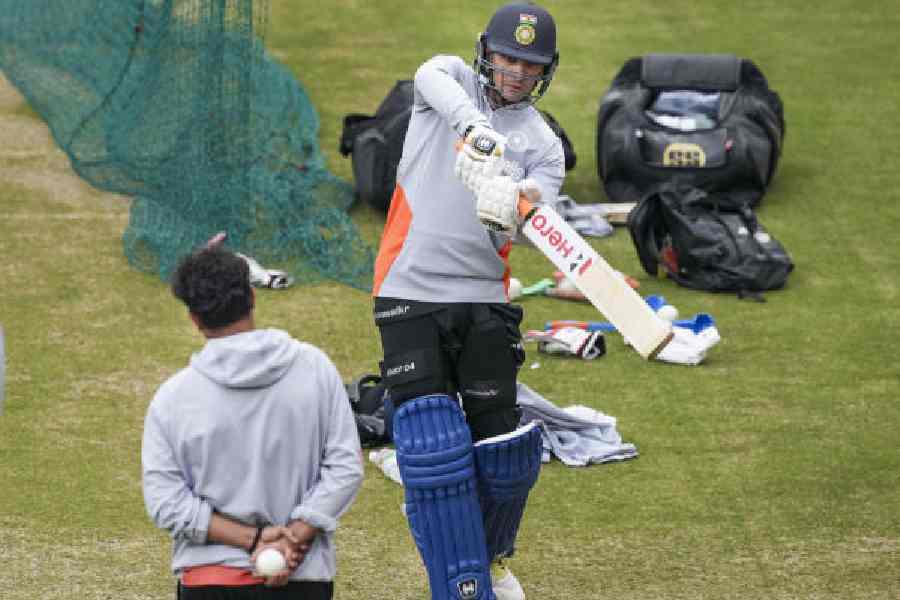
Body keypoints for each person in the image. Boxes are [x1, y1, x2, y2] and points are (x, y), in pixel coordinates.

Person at [371, 3, 561, 599]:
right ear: (486, 51)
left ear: (545, 72)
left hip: (483, 296)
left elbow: (534, 215)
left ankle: (494, 559)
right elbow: (427, 77)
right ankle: (457, 577)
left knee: (501, 451)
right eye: (506, 57)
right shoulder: (448, 81)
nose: (514, 73)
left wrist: (510, 200)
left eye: (529, 66)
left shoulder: (544, 144)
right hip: (409, 285)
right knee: (431, 442)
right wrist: (475, 134)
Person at [142, 245, 364, 600]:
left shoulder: (171, 400)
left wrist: (255, 540)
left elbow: (166, 503)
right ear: (252, 296)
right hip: (302, 580)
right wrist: (295, 535)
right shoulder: (315, 368)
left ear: (194, 319)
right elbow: (345, 468)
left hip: (209, 583)